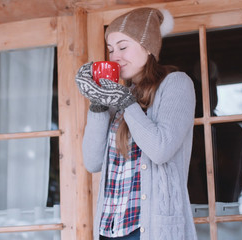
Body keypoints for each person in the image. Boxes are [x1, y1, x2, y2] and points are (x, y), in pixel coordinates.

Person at [75, 8, 197, 240]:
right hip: (108, 229)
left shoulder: (176, 84)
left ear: (148, 47)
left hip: (150, 228)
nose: (115, 57)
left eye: (123, 47)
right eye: (110, 50)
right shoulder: (119, 97)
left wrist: (124, 101)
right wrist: (98, 103)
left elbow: (160, 150)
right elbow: (92, 162)